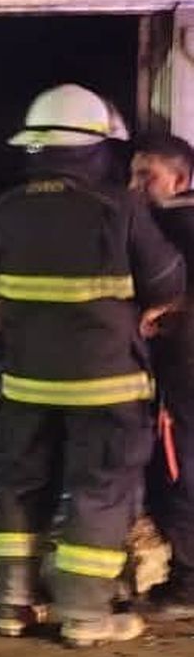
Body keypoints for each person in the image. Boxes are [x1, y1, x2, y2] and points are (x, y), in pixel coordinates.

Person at [0, 84, 184, 646]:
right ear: (97, 149)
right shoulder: (120, 208)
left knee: (22, 485)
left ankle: (11, 603)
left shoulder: (1, 210)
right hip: (107, 388)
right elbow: (168, 283)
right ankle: (85, 615)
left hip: (28, 383)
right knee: (101, 491)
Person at [129, 129, 194, 616]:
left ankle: (188, 586)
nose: (134, 186)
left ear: (179, 178)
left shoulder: (178, 227)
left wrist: (170, 314)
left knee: (180, 474)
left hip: (185, 377)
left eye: (145, 176)